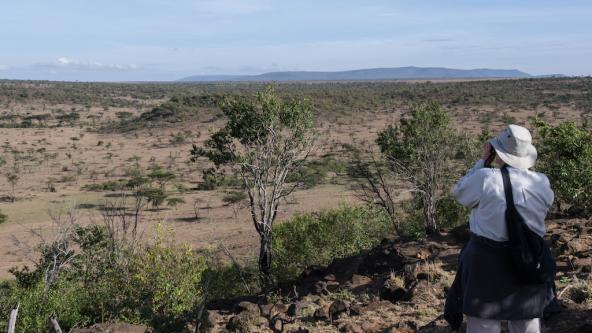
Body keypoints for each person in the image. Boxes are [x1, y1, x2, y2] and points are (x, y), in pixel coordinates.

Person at [446, 124, 555, 333]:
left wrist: (483, 161)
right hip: (529, 258)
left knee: (483, 323)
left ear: (498, 152)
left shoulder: (486, 178)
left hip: (486, 259)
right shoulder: (542, 182)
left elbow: (459, 192)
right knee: (527, 320)